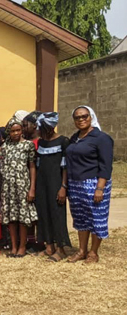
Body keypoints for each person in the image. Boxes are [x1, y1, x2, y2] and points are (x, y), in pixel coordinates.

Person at [66, 106, 113, 264]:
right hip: (75, 184)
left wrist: (100, 188)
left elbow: (106, 166)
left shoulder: (101, 138)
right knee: (80, 218)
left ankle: (93, 252)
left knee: (97, 218)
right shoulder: (75, 138)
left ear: (91, 117)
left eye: (84, 116)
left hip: (94, 183)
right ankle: (81, 250)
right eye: (77, 117)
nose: (81, 119)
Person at [34, 112, 71, 262]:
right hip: (42, 183)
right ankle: (49, 246)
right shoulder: (41, 143)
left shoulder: (63, 141)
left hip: (56, 182)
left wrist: (63, 187)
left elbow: (65, 167)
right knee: (44, 213)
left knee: (57, 214)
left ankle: (61, 249)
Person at [0, 118, 37, 258]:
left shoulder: (28, 145)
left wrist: (32, 188)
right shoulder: (5, 147)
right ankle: (14, 246)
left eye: (18, 130)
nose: (16, 133)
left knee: (22, 218)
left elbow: (32, 167)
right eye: (13, 131)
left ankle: (23, 246)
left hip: (22, 185)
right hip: (8, 186)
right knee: (11, 218)